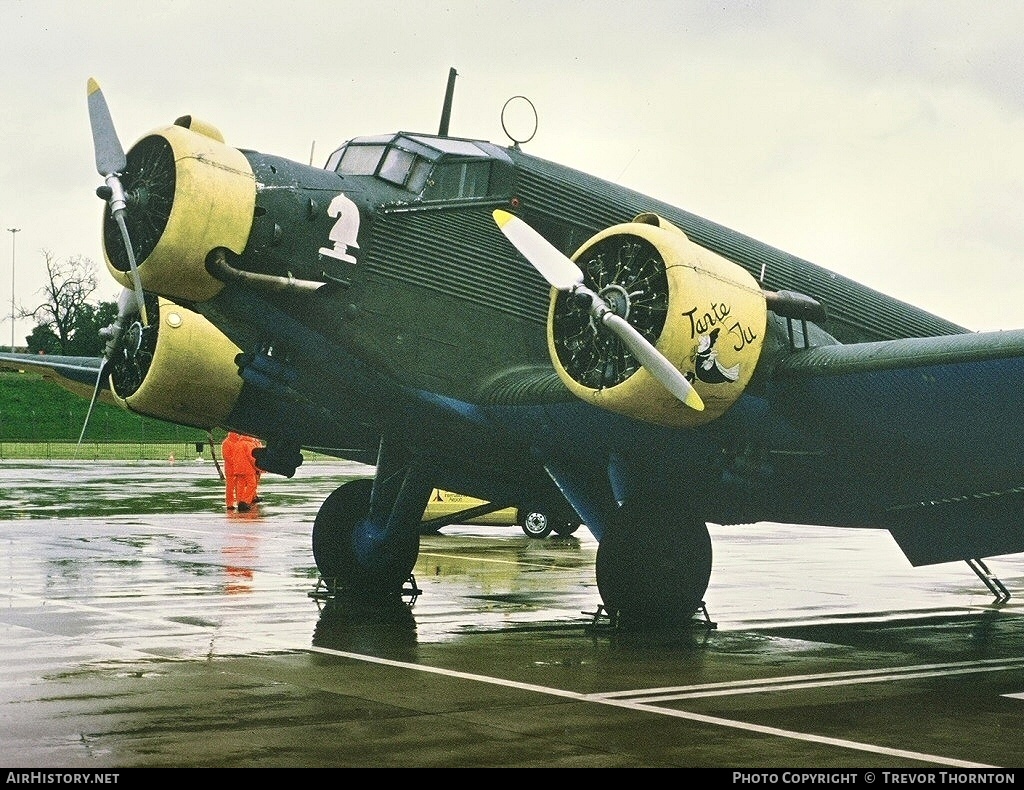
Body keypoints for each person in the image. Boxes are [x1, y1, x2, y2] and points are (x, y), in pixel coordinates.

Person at [222, 431, 261, 512]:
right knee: (251, 484)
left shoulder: (236, 443)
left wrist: (236, 465)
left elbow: (228, 457)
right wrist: (258, 468)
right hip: (247, 468)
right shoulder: (249, 444)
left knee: (239, 486)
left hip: (236, 468)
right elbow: (252, 458)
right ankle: (244, 502)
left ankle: (237, 502)